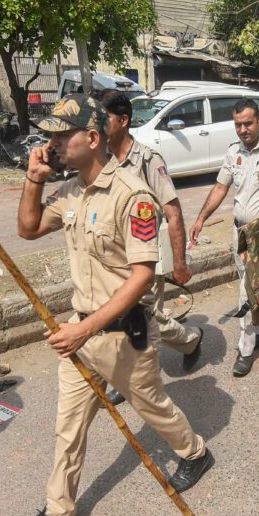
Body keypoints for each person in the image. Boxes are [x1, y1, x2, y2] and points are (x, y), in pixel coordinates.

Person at [5, 95, 212, 516]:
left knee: (152, 407)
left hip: (124, 337)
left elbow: (141, 276)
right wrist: (32, 180)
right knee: (69, 426)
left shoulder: (132, 196)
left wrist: (85, 328)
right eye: (50, 136)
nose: (52, 143)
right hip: (81, 336)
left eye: (62, 134)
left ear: (93, 137)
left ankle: (195, 452)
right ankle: (60, 509)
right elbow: (28, 228)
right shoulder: (71, 192)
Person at [189, 99, 259, 377]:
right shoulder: (233, 152)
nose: (242, 130)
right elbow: (220, 188)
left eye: (248, 123)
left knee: (246, 291)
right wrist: (201, 218)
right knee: (248, 283)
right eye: (238, 124)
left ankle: (246, 349)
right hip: (240, 232)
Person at [100, 90, 202, 387]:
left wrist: (179, 263)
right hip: (112, 257)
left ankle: (182, 347)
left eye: (103, 117)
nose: (96, 123)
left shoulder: (147, 160)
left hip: (143, 256)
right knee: (123, 315)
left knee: (147, 317)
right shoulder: (102, 160)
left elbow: (173, 212)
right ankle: (185, 342)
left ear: (123, 120)